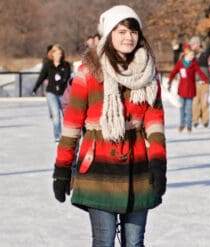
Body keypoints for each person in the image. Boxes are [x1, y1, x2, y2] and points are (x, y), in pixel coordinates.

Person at [52, 5, 167, 246]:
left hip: (138, 167)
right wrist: (62, 170)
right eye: (121, 31)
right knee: (104, 241)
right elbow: (72, 126)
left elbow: (155, 124)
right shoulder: (88, 72)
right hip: (98, 168)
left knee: (134, 242)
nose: (128, 37)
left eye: (133, 32)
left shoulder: (148, 74)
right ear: (109, 34)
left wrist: (158, 162)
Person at [32, 44, 71, 142]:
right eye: (57, 53)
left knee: (66, 115)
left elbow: (67, 78)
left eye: (60, 54)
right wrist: (35, 88)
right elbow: (42, 76)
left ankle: (68, 135)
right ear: (52, 54)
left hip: (63, 93)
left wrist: (61, 81)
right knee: (56, 115)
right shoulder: (48, 65)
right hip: (51, 93)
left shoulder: (66, 65)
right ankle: (57, 136)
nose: (59, 55)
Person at [167, 44, 209, 133]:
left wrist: (205, 79)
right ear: (186, 55)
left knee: (189, 109)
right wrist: (170, 81)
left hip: (190, 90)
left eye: (193, 55)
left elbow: (199, 72)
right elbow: (173, 72)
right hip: (182, 89)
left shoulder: (194, 64)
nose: (193, 57)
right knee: (181, 108)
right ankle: (182, 124)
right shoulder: (180, 63)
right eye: (191, 55)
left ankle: (189, 125)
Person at [189, 36, 210, 128]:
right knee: (195, 102)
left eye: (192, 45)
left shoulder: (207, 55)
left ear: (198, 44)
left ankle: (205, 120)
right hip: (195, 84)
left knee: (205, 102)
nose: (191, 47)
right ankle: (195, 120)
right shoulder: (191, 56)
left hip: (205, 84)